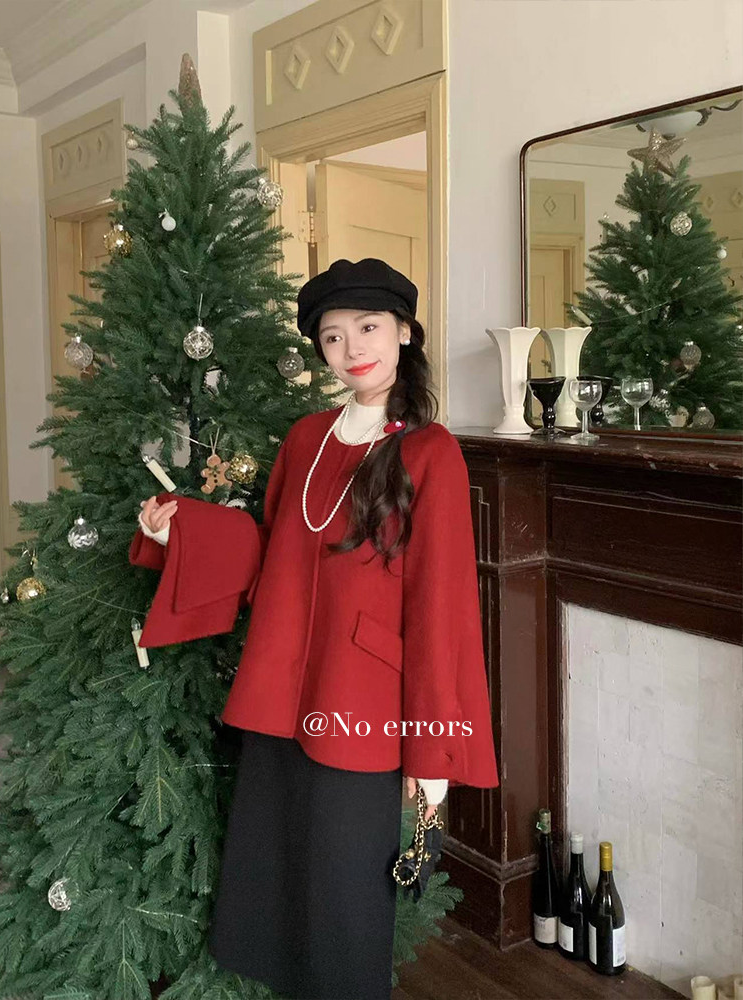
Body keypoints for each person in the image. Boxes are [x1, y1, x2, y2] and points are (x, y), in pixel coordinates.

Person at [130, 258, 499, 1000]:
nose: (351, 348)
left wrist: (432, 751)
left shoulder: (431, 452)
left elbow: (443, 609)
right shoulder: (305, 438)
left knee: (344, 912)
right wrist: (182, 533)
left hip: (364, 710)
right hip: (281, 695)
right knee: (275, 891)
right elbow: (273, 553)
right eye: (332, 337)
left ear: (404, 332)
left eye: (368, 327)